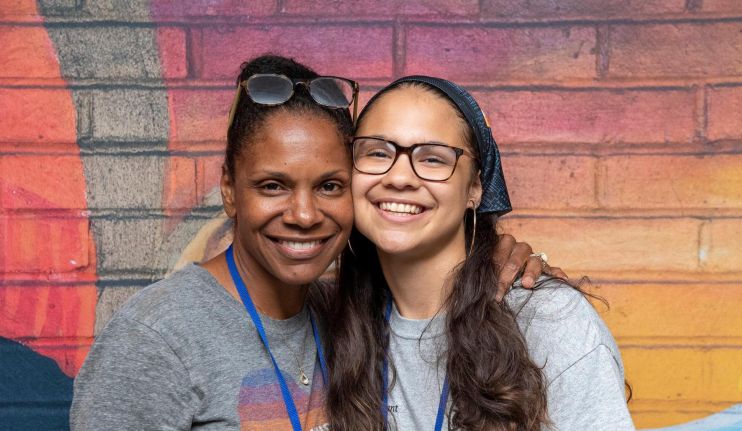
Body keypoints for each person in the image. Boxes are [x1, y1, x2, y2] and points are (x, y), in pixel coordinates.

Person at [70, 56, 555, 430]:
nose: (304, 216)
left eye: (329, 186)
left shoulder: (350, 312)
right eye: (273, 186)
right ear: (228, 189)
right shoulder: (154, 339)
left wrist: (485, 255)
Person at [325, 77, 635, 430]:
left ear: (475, 188)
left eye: (433, 159)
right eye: (378, 152)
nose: (399, 177)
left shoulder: (546, 317)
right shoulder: (335, 321)